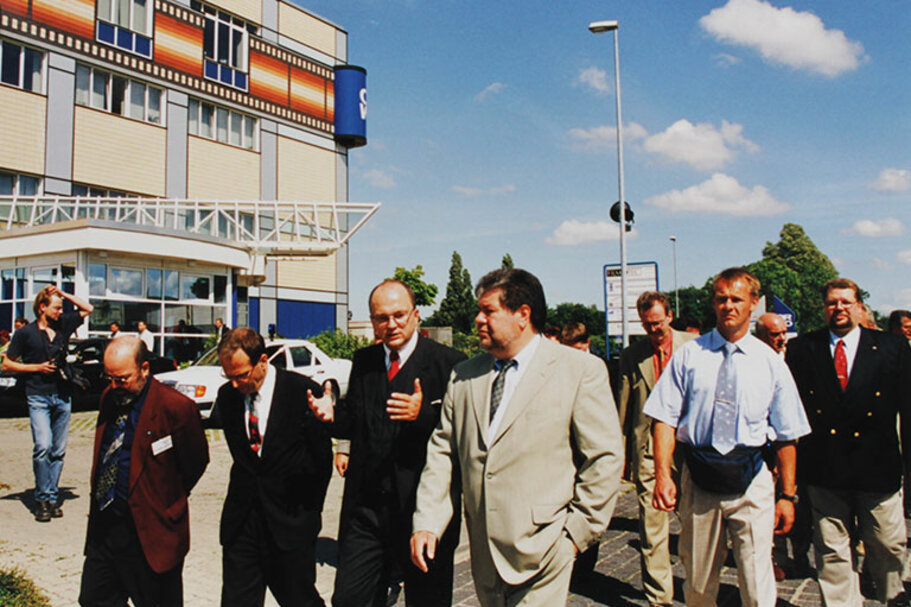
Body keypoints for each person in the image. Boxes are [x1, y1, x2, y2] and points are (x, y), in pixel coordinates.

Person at [410, 268, 623, 606]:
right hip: (485, 556)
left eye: (489, 310)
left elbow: (605, 457)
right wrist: (427, 522)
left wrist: (575, 534)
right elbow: (443, 454)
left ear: (523, 315)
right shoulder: (464, 377)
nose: (478, 319)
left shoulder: (578, 371)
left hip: (546, 549)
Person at [644, 267, 810, 607]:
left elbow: (787, 434)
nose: (728, 306)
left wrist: (788, 496)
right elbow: (664, 418)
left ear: (753, 305)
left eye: (737, 299)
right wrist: (663, 475)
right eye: (721, 299)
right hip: (701, 478)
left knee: (757, 580)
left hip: (752, 479)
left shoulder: (771, 362)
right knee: (699, 580)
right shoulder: (690, 356)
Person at [308, 279, 466, 606]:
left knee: (427, 600)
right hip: (366, 512)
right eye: (382, 317)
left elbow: (462, 436)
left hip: (421, 511)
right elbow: (355, 420)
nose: (391, 324)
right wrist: (330, 417)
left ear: (416, 315)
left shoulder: (449, 363)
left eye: (399, 315)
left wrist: (422, 414)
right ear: (372, 320)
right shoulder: (364, 361)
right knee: (350, 599)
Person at [785, 278, 911, 606]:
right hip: (825, 469)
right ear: (822, 308)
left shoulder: (891, 348)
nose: (838, 308)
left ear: (858, 306)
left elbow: (908, 411)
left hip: (878, 468)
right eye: (831, 303)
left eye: (845, 302)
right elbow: (790, 411)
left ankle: (892, 595)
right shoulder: (803, 349)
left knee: (888, 543)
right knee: (831, 552)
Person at [79, 336, 209, 606]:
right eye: (110, 378)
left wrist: (164, 498)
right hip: (107, 528)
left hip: (151, 532)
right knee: (94, 599)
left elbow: (195, 462)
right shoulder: (109, 398)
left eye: (123, 378)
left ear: (145, 369)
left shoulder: (175, 407)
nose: (116, 386)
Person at [216, 328, 333, 607]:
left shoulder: (303, 393)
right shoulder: (227, 397)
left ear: (263, 361)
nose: (235, 384)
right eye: (228, 376)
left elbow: (321, 463)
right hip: (243, 522)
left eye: (241, 375)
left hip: (289, 523)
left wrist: (306, 515)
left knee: (299, 600)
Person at [617, 291, 696, 607]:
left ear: (670, 317)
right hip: (648, 447)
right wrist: (622, 456)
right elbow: (623, 407)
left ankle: (696, 591)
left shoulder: (693, 348)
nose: (654, 330)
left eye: (658, 323)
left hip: (690, 448)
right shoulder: (631, 356)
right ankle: (659, 598)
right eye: (647, 325)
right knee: (652, 529)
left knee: (693, 525)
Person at [3, 285, 93, 522]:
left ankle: (52, 497)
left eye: (61, 307)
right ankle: (42, 498)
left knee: (58, 450)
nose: (60, 311)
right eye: (56, 307)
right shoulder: (25, 334)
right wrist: (37, 368)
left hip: (63, 395)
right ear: (42, 308)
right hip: (38, 395)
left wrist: (63, 294)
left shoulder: (63, 324)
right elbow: (7, 364)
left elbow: (88, 308)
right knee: (43, 446)